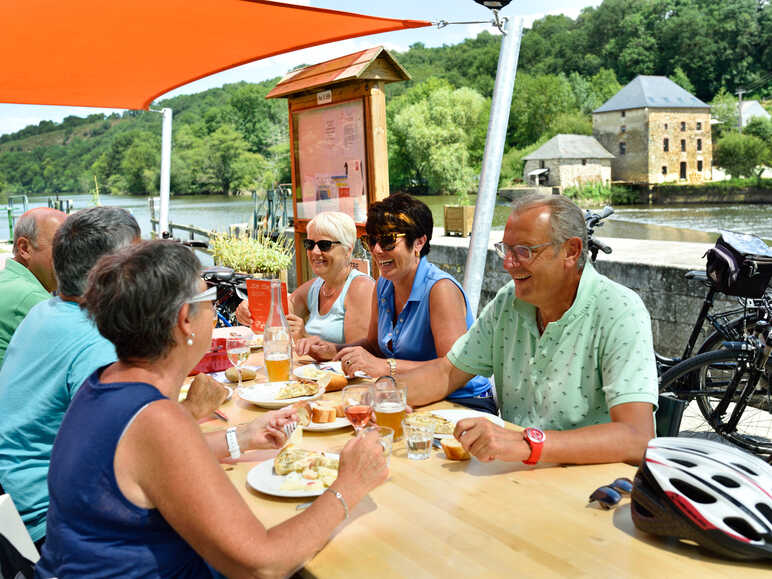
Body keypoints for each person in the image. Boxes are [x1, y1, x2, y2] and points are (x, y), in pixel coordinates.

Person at [36, 240, 388, 578]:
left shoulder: (105, 385)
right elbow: (263, 565)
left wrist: (243, 436)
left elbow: (146, 465)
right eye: (209, 297)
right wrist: (350, 485)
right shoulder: (156, 419)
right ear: (184, 319)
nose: (215, 307)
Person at [0, 206, 226, 547]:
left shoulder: (47, 312)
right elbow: (131, 454)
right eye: (138, 259)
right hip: (54, 522)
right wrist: (192, 411)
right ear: (107, 274)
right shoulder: (94, 342)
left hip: (19, 497)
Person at [398, 193, 658, 465]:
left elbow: (636, 437)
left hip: (593, 489)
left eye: (524, 251)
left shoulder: (619, 310)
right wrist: (382, 396)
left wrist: (528, 444)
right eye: (505, 250)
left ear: (571, 251)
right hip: (516, 477)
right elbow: (447, 372)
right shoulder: (509, 302)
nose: (507, 263)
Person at [296, 194, 495, 413]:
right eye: (371, 241)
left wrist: (385, 367)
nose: (377, 250)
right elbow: (373, 346)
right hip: (407, 393)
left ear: (419, 241)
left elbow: (452, 369)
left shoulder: (440, 290)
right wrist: (333, 349)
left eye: (388, 240)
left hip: (462, 403)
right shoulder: (384, 283)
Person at [236, 211, 374, 344]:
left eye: (324, 245)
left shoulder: (361, 288)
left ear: (348, 249)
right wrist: (250, 310)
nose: (314, 251)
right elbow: (276, 315)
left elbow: (358, 354)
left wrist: (305, 338)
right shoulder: (316, 287)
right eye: (310, 244)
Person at [0, 207, 66, 367]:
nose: (71, 257)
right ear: (24, 248)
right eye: (61, 248)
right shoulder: (31, 297)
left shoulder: (7, 279)